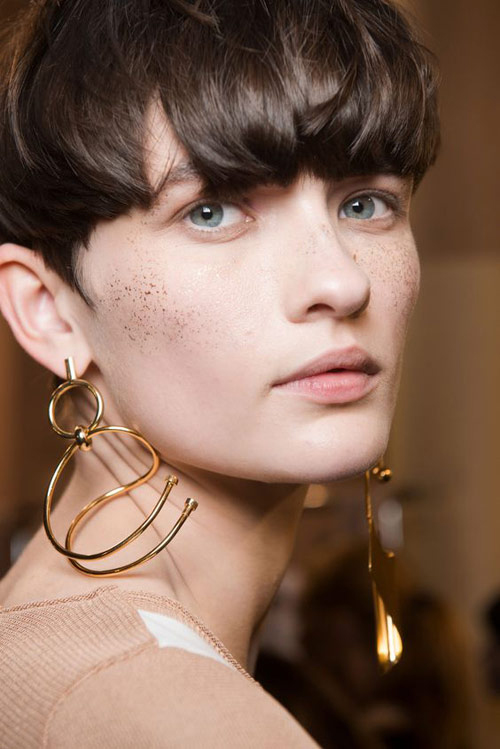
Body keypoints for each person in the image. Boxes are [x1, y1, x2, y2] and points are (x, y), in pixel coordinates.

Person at [0, 0, 439, 746]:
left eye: (365, 204)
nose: (341, 282)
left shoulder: (61, 650)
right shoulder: (157, 713)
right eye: (212, 212)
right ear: (48, 311)